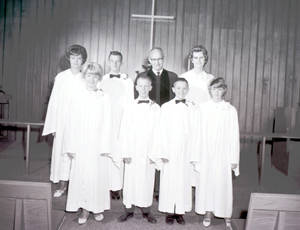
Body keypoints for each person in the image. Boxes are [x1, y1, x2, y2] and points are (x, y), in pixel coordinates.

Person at [63, 63, 112, 224]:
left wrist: (106, 145)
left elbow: (108, 123)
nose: (92, 79)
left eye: (95, 75)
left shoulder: (105, 97)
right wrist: (70, 145)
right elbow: (70, 122)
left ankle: (97, 207)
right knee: (84, 176)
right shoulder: (77, 96)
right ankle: (84, 210)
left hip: (98, 144)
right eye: (89, 75)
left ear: (99, 77)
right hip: (81, 143)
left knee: (97, 176)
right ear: (85, 77)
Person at [191, 78, 240, 230]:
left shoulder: (230, 110)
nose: (217, 92)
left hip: (223, 153)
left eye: (220, 89)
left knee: (222, 183)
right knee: (207, 182)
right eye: (214, 89)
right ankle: (208, 212)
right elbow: (197, 133)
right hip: (206, 152)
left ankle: (226, 214)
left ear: (224, 90)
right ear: (210, 90)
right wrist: (196, 155)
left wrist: (234, 158)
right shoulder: (202, 108)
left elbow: (234, 135)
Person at [42, 44, 87, 197]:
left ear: (83, 60)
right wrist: (54, 125)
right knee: (62, 153)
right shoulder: (61, 78)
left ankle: (77, 187)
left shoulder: (86, 78)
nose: (75, 61)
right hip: (62, 122)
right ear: (69, 59)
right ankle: (62, 185)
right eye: (73, 57)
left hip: (79, 123)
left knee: (77, 153)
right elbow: (54, 102)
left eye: (79, 58)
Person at [135, 47, 178, 200]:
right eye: (154, 59)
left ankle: (161, 189)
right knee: (147, 152)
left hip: (167, 121)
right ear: (149, 61)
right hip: (148, 121)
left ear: (163, 59)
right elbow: (137, 100)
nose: (157, 62)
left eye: (160, 59)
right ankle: (147, 189)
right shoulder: (143, 77)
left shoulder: (172, 76)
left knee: (163, 152)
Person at [117, 75, 160, 224]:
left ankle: (146, 209)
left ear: (150, 87)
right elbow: (124, 130)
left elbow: (158, 131)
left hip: (148, 150)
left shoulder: (155, 108)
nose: (143, 89)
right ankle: (128, 209)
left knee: (147, 179)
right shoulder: (130, 106)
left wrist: (155, 153)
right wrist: (125, 152)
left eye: (146, 86)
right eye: (140, 86)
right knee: (130, 180)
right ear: (136, 87)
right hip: (133, 150)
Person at [158, 78, 195, 225]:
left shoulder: (192, 107)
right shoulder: (166, 107)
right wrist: (163, 152)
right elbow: (161, 131)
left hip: (186, 149)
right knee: (169, 180)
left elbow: (195, 130)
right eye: (178, 88)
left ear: (188, 89)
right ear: (173, 89)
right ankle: (169, 210)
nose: (181, 91)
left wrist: (193, 151)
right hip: (170, 149)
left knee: (183, 180)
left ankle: (180, 211)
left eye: (184, 88)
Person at [100, 51, 134, 199]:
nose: (114, 64)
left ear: (121, 63)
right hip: (106, 119)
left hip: (121, 119)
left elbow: (130, 103)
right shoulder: (101, 80)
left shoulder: (127, 81)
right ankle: (104, 184)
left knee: (119, 151)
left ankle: (117, 187)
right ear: (108, 61)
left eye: (117, 61)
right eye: (112, 61)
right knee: (106, 151)